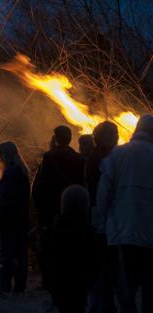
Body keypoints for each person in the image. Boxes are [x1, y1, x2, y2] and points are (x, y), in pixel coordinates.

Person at [95, 114, 153, 313]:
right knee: (149, 287)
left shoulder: (117, 155)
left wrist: (101, 224)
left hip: (121, 234)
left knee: (125, 287)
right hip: (150, 237)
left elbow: (103, 196)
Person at [40, 185, 100, 313]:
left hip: (58, 284)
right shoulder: (91, 235)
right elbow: (95, 267)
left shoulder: (50, 234)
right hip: (81, 286)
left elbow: (45, 262)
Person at [86, 121, 119, 313]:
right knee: (104, 264)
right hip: (103, 218)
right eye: (113, 134)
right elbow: (102, 192)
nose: (116, 137)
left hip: (101, 218)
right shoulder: (102, 157)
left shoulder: (97, 155)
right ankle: (104, 304)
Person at [32, 125, 85, 231]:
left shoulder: (49, 157)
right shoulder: (80, 158)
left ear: (56, 139)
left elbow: (42, 184)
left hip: (51, 205)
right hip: (72, 205)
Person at [0, 141, 30, 293]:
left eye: (0, 155)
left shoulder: (10, 173)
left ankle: (5, 284)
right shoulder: (22, 171)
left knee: (8, 252)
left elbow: (4, 198)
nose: (0, 159)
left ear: (5, 155)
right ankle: (20, 285)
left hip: (9, 219)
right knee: (21, 252)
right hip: (22, 218)